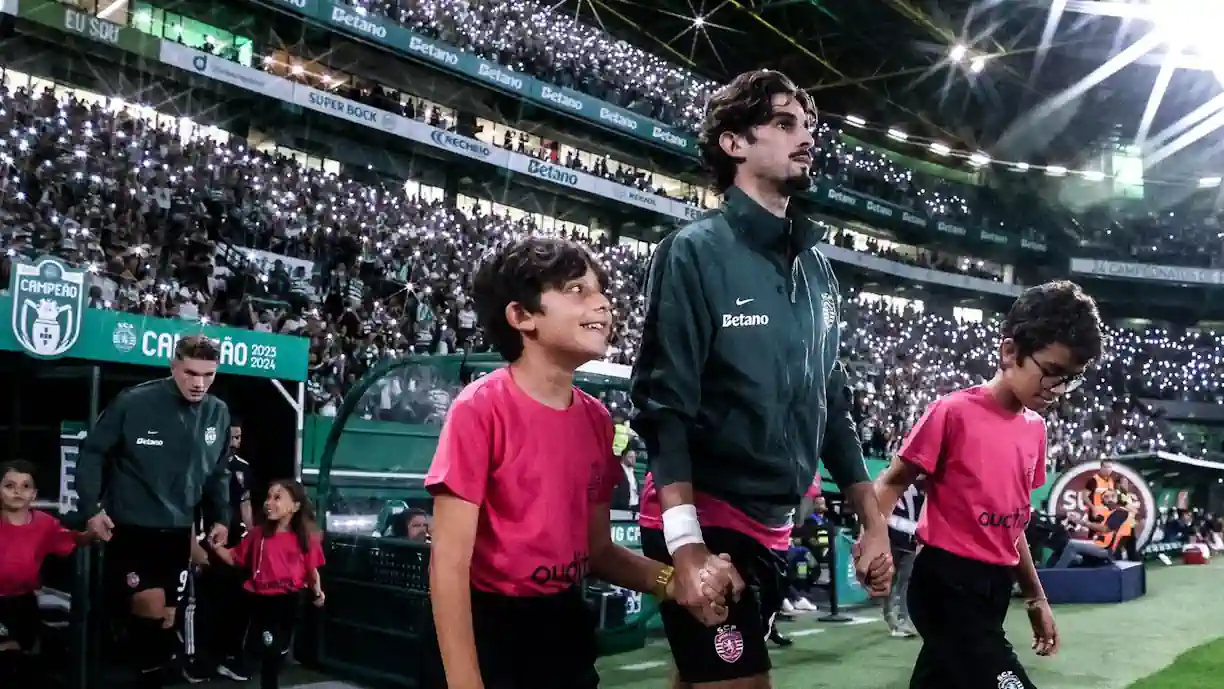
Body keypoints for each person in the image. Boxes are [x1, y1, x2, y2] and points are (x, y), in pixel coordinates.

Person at [631, 68, 892, 688]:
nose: (805, 138)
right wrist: (687, 543)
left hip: (775, 526)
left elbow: (833, 405)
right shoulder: (693, 251)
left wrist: (873, 519)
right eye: (783, 123)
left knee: (703, 679)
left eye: (807, 126)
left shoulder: (820, 276)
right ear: (734, 143)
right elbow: (663, 406)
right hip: (705, 516)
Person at [424, 237, 742, 689]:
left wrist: (678, 580)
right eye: (577, 289)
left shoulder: (596, 419)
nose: (603, 304)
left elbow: (598, 552)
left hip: (563, 623)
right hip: (488, 625)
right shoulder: (480, 409)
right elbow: (449, 567)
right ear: (522, 317)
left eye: (600, 289)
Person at [876, 280, 1104, 689]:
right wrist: (872, 539)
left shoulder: (1036, 430)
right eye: (1051, 372)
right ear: (1009, 351)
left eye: (1070, 379)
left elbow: (1011, 525)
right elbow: (891, 482)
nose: (1058, 390)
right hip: (944, 584)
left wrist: (1035, 596)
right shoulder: (953, 412)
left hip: (993, 590)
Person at [76, 335, 233, 689]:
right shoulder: (134, 402)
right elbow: (93, 453)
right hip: (133, 527)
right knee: (148, 613)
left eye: (208, 375)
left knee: (165, 620)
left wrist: (221, 517)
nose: (199, 383)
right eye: (191, 372)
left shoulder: (218, 412)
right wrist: (92, 508)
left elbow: (218, 472)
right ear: (173, 365)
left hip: (178, 531)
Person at [213, 479, 325, 689]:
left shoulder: (306, 537)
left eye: (277, 497)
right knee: (268, 648)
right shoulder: (258, 534)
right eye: (268, 497)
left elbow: (311, 569)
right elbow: (235, 557)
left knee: (276, 648)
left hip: (289, 600)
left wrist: (317, 590)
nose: (269, 502)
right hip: (262, 601)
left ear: (295, 506)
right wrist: (217, 547)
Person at [0, 460, 94, 687]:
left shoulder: (45, 524)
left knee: (25, 661)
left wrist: (92, 534)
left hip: (24, 600)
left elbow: (71, 540)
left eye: (25, 486)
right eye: (10, 485)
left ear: (34, 494)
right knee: (7, 654)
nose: (17, 492)